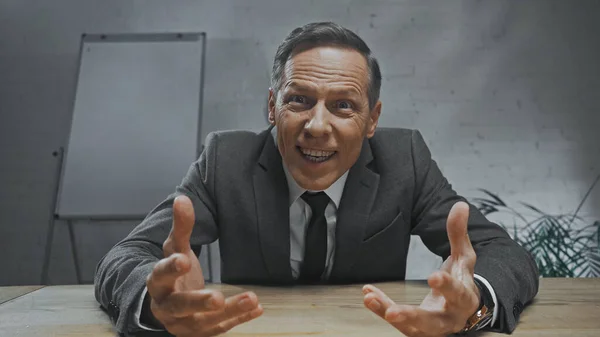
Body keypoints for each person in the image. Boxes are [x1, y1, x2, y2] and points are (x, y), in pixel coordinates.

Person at [94, 22, 539, 337]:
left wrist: (474, 304)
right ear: (272, 107)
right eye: (299, 100)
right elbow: (126, 255)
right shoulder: (226, 160)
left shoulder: (404, 159)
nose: (317, 126)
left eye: (343, 105)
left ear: (372, 120)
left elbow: (504, 254)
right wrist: (156, 302)